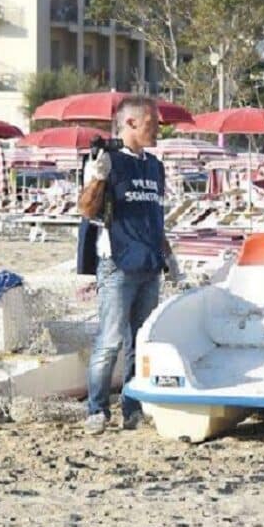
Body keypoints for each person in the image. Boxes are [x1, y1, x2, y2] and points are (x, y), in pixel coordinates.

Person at [78, 96, 176, 435]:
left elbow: (155, 217)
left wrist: (170, 257)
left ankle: (132, 407)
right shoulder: (106, 160)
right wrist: (96, 178)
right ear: (130, 123)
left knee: (142, 341)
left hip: (149, 264)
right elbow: (87, 211)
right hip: (117, 264)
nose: (158, 129)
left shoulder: (154, 166)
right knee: (110, 341)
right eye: (153, 123)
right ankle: (97, 409)